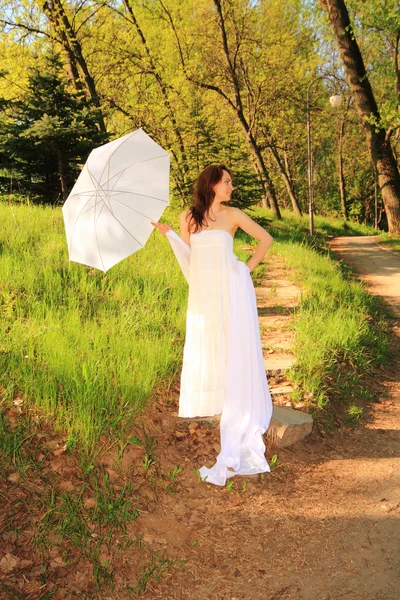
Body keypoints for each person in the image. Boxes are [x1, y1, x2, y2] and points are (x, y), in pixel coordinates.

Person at [152, 164, 273, 486]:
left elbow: (265, 239)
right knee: (208, 341)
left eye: (231, 182)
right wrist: (172, 237)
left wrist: (245, 269)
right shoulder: (189, 217)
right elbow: (192, 258)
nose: (231, 187)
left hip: (231, 289)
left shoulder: (233, 215)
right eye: (227, 182)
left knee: (232, 342)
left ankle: (236, 401)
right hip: (205, 294)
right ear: (212, 184)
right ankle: (216, 394)